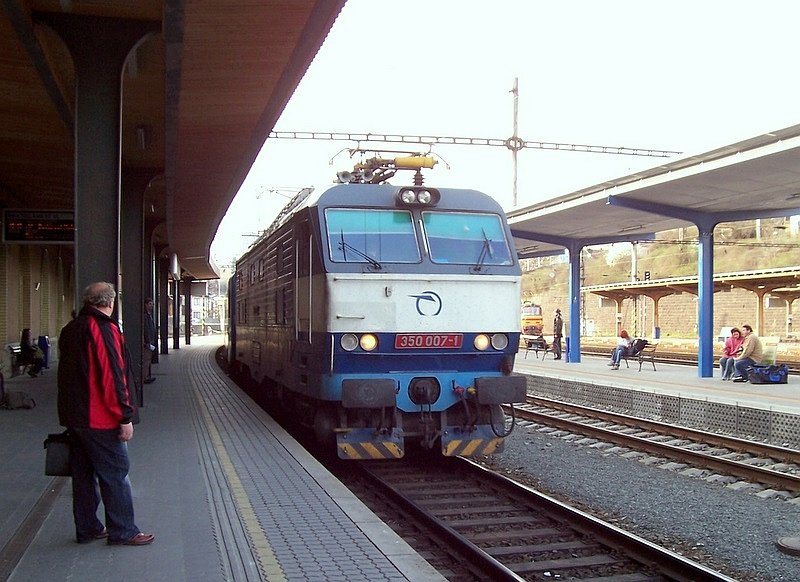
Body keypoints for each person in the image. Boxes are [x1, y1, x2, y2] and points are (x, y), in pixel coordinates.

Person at [57, 281, 154, 546]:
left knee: (84, 476)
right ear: (110, 302)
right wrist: (125, 416)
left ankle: (88, 529)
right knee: (115, 475)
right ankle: (123, 531)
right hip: (99, 418)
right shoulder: (102, 329)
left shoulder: (70, 329)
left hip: (76, 418)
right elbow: (112, 377)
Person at [142, 298, 156, 384]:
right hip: (147, 342)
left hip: (150, 341)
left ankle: (146, 376)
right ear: (146, 304)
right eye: (150, 304)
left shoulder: (148, 315)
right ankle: (144, 377)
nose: (152, 306)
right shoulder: (145, 316)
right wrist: (148, 340)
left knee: (148, 359)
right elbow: (146, 329)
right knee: (146, 359)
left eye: (152, 304)